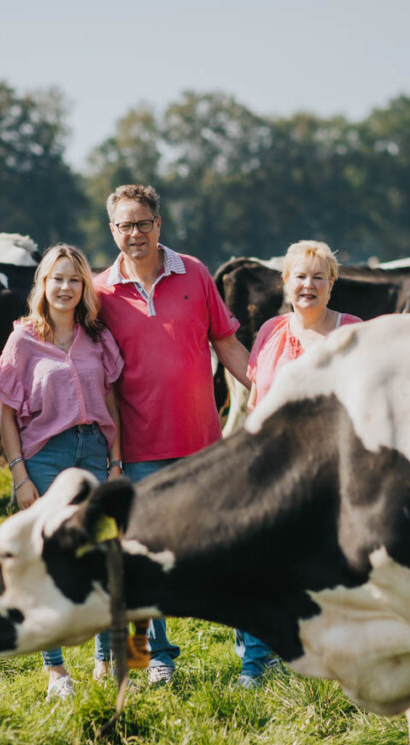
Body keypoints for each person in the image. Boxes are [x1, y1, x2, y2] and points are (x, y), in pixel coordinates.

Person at [93, 183, 251, 685]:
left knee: (226, 549)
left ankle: (256, 656)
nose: (135, 233)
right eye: (124, 225)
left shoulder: (195, 273)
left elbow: (226, 344)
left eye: (143, 223)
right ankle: (150, 659)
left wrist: (273, 388)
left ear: (159, 225)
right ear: (112, 230)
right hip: (137, 448)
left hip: (203, 444)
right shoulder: (99, 292)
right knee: (138, 555)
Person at [0, 244, 124, 700]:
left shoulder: (98, 338)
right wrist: (19, 475)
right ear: (43, 285)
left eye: (74, 280)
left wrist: (115, 461)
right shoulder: (23, 339)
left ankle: (105, 661)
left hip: (93, 452)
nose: (65, 288)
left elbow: (110, 402)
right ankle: (56, 671)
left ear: (84, 287)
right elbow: (7, 413)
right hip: (44, 455)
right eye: (57, 279)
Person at [238, 239, 362, 687]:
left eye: (317, 277)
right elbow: (256, 402)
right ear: (285, 282)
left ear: (332, 284)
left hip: (331, 469)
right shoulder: (271, 330)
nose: (307, 285)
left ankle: (327, 662)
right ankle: (255, 662)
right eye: (299, 276)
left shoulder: (352, 333)